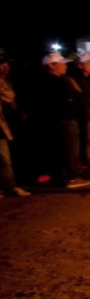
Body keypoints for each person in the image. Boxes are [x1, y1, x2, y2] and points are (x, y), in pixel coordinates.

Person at [42, 52, 90, 188]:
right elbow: (76, 95)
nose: (65, 66)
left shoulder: (55, 80)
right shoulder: (56, 82)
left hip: (63, 120)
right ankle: (72, 177)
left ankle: (65, 175)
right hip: (65, 120)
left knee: (67, 149)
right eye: (62, 64)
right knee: (71, 150)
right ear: (52, 66)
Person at [0, 55, 28, 198]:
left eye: (6, 64)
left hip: (5, 123)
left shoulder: (9, 80)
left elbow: (10, 96)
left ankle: (11, 185)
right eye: (2, 64)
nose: (5, 67)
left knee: (6, 158)